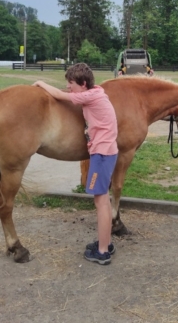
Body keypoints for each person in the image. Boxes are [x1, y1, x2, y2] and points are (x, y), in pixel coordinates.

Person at [33, 63, 118, 265]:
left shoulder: (89, 95)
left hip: (102, 155)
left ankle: (103, 252)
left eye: (71, 83)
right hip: (105, 152)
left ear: (82, 83)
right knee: (103, 200)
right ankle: (106, 242)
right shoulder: (96, 93)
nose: (68, 87)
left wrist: (41, 83)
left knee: (101, 202)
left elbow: (61, 96)